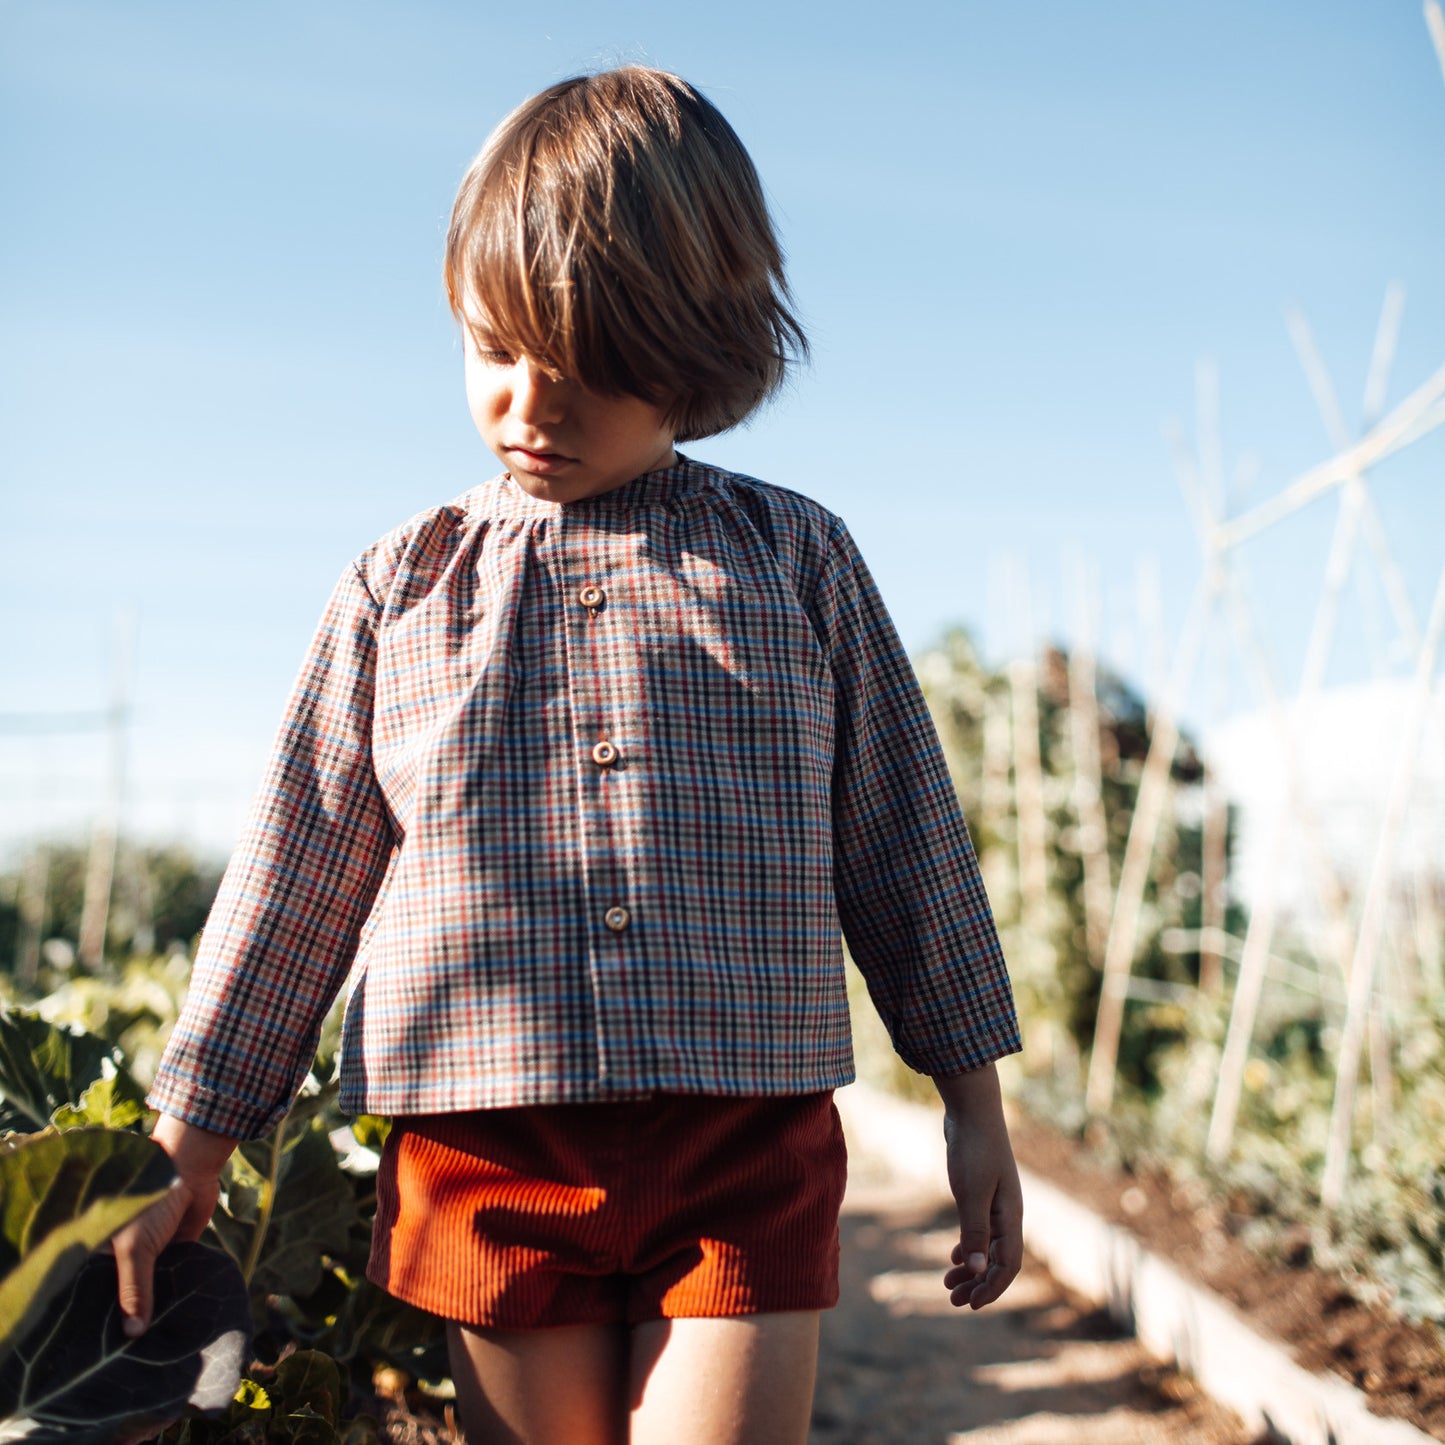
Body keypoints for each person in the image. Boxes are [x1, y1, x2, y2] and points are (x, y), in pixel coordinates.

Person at [115, 65, 1024, 1445]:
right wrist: (194, 1129)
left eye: (587, 364)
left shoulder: (794, 560)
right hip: (487, 1144)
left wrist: (971, 1102)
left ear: (701, 346)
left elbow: (902, 839)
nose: (527, 402)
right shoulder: (398, 587)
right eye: (492, 349)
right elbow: (295, 873)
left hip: (744, 1133)